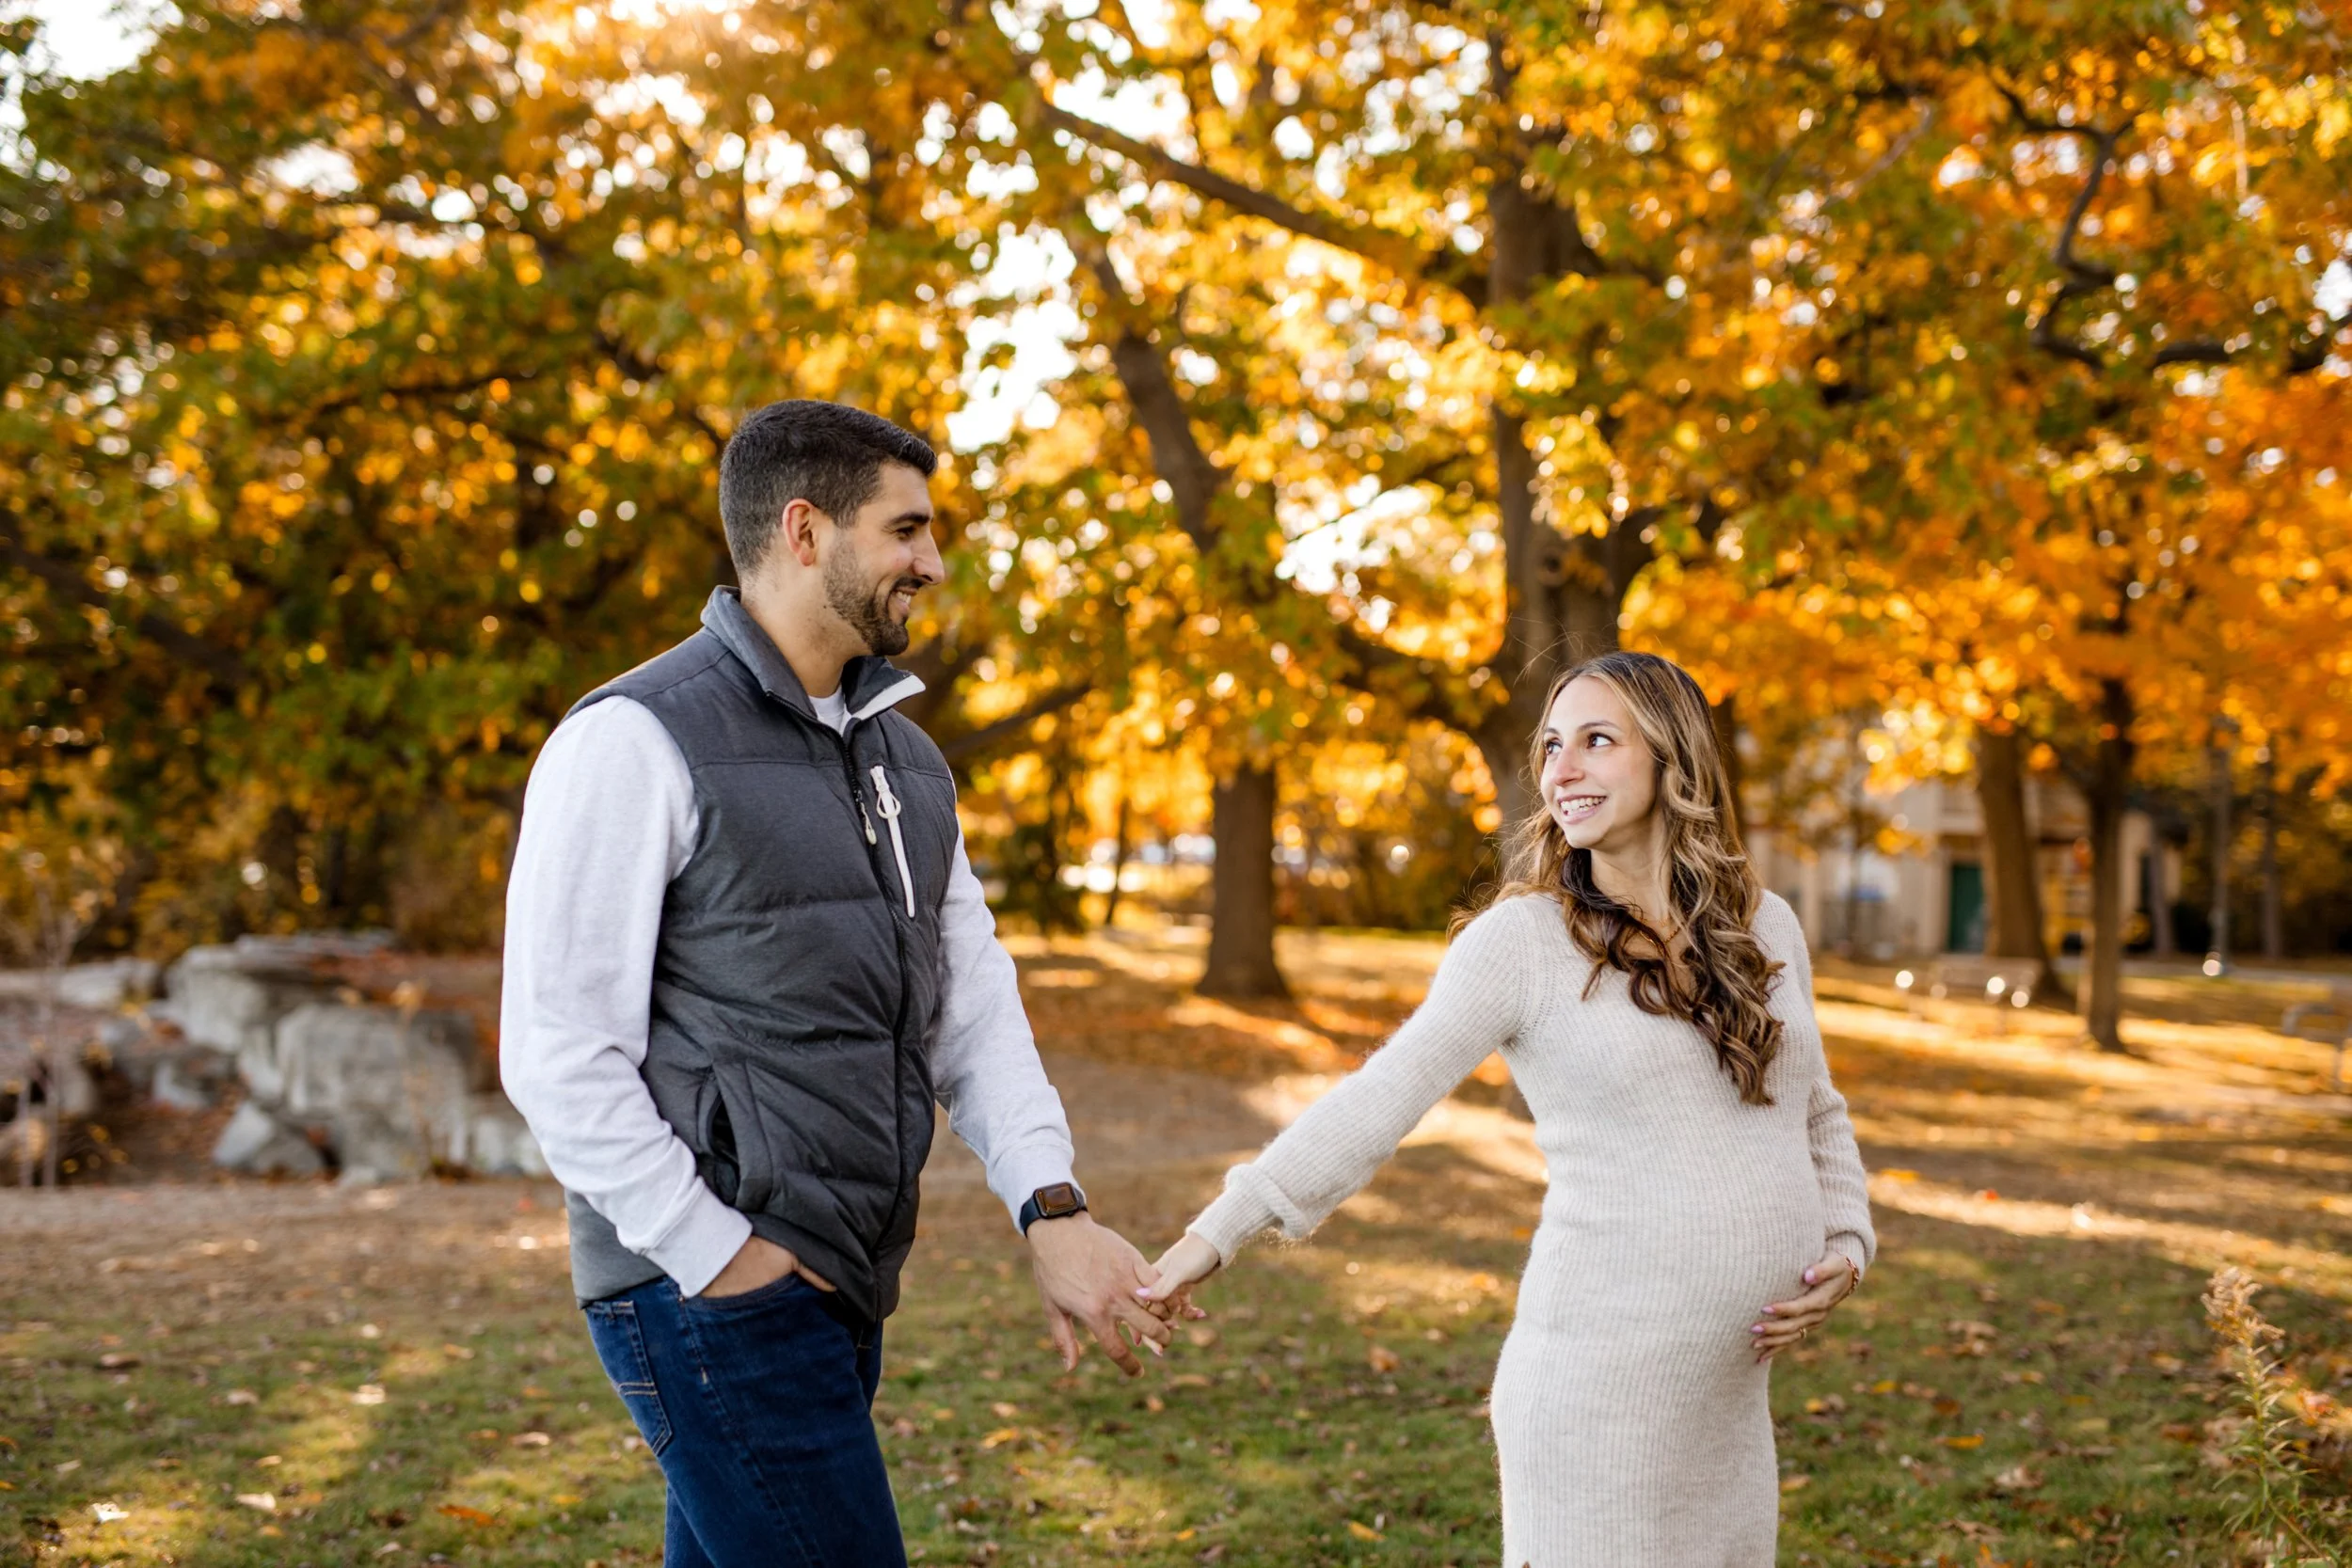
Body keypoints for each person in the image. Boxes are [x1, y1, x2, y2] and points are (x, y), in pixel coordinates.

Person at [500, 400, 1176, 1568]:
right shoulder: (632, 739)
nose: (933, 559)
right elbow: (557, 1048)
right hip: (708, 1286)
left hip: (835, 1284)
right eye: (905, 528)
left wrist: (1050, 1206)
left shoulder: (905, 762)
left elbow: (972, 1007)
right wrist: (721, 1257)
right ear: (805, 531)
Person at [1142, 650, 1876, 1567]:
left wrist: (1847, 1244)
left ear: (1672, 757)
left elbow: (1815, 1109)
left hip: (1728, 1401)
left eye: (1597, 740)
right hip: (1598, 1397)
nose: (1562, 769)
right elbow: (1380, 1095)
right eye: (1551, 745)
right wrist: (1211, 1235)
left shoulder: (1763, 924)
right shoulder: (1522, 943)